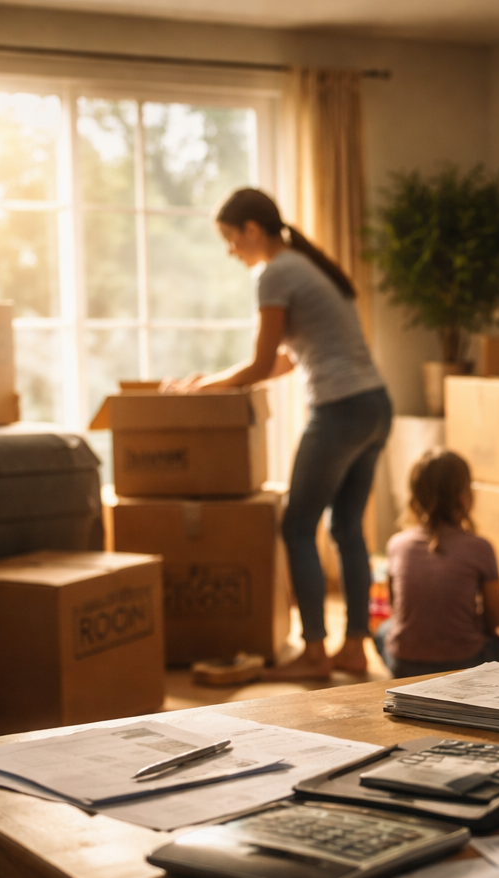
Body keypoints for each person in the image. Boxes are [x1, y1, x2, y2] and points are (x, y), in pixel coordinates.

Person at [170, 187, 392, 680]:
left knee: (296, 526)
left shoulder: (275, 272)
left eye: (230, 238)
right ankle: (353, 646)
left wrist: (203, 386)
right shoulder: (307, 267)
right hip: (375, 404)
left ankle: (315, 654)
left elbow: (261, 362)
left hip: (340, 408)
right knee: (346, 528)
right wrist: (218, 382)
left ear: (252, 229)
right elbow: (290, 361)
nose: (230, 250)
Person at [377, 449, 499, 677]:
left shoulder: (396, 544)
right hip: (466, 664)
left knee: (382, 631)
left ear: (414, 497)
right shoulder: (480, 547)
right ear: (464, 497)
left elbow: (396, 607)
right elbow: (496, 617)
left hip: (404, 665)